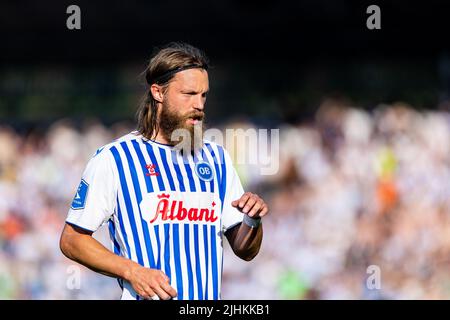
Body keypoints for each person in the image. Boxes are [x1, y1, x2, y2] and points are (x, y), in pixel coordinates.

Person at [59, 42, 269, 300]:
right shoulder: (115, 159)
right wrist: (132, 271)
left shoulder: (216, 159)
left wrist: (252, 219)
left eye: (203, 95)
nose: (199, 104)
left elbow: (245, 250)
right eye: (189, 94)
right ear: (158, 92)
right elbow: (72, 240)